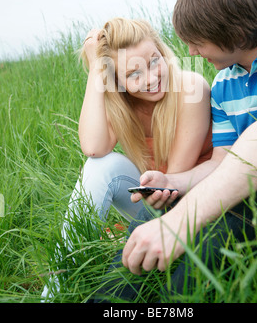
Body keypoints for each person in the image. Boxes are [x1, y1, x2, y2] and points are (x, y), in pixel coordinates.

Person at [91, 0, 257, 302]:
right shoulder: (224, 82)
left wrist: (180, 223)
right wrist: (175, 183)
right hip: (244, 193)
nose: (191, 53)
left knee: (209, 245)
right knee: (149, 220)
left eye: (198, 42)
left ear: (230, 33)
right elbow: (222, 161)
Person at [42, 17, 212, 301]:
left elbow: (173, 180)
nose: (151, 77)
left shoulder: (191, 88)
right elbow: (94, 148)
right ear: (116, 80)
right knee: (102, 166)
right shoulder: (123, 104)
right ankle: (56, 286)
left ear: (162, 51)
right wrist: (97, 69)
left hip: (194, 201)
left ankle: (123, 276)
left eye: (154, 60)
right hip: (151, 201)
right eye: (133, 74)